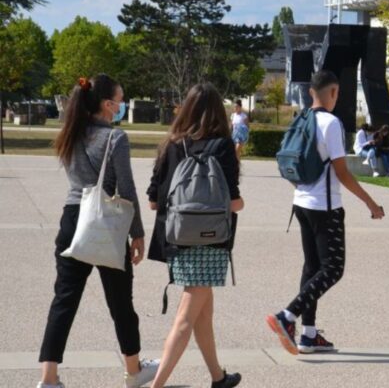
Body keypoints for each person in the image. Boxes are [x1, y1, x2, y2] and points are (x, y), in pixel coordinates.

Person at [39, 74, 159, 388]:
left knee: (63, 301)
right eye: (120, 101)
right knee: (121, 302)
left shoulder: (72, 133)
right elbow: (127, 188)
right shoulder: (114, 138)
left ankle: (48, 378)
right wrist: (138, 234)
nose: (122, 106)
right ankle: (133, 371)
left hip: (72, 220)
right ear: (107, 105)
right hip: (105, 221)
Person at [266, 70, 385, 356]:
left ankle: (308, 335)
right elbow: (342, 173)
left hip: (302, 203)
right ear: (334, 92)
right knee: (332, 269)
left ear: (310, 93)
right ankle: (288, 316)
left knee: (312, 268)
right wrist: (371, 203)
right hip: (325, 207)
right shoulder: (331, 124)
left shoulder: (302, 118)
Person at [147, 84, 245, 388]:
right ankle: (156, 384)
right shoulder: (223, 145)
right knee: (187, 317)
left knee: (203, 312)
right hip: (211, 240)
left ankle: (217, 376)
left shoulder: (171, 145)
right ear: (218, 110)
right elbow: (234, 202)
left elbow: (153, 200)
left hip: (177, 238)